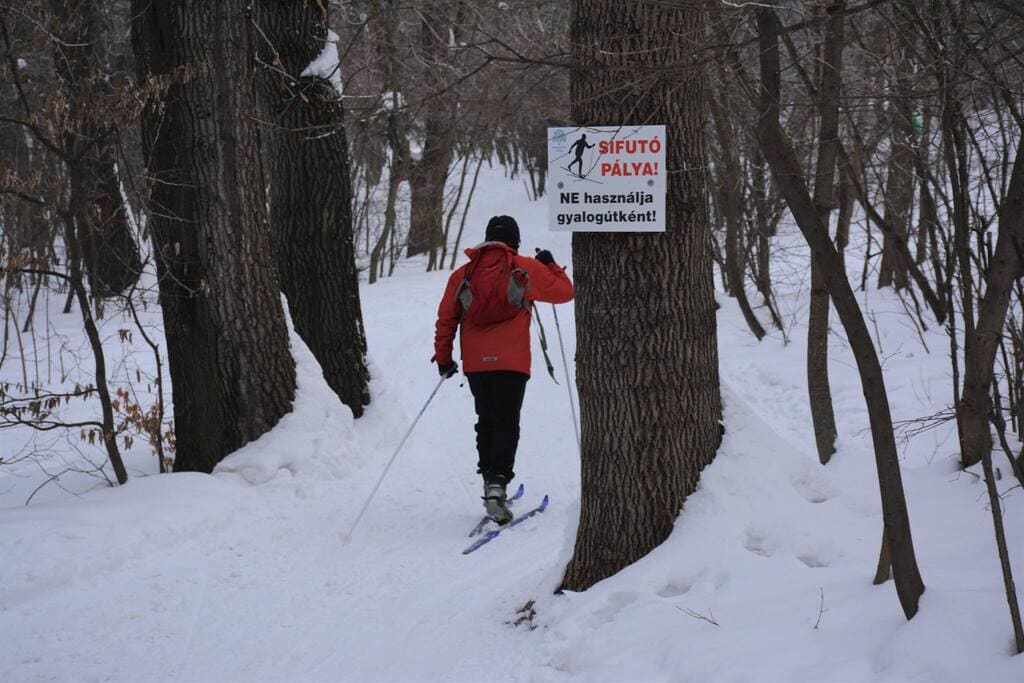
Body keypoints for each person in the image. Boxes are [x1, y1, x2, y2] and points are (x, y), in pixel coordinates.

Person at [432, 215, 574, 524]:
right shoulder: (524, 268)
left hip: (476, 364)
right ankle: (498, 483)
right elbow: (565, 292)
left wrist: (444, 358)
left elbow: (446, 318)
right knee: (507, 422)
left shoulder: (463, 274)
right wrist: (549, 264)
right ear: (515, 241)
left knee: (487, 420)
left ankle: (489, 484)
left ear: (487, 239)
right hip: (512, 362)